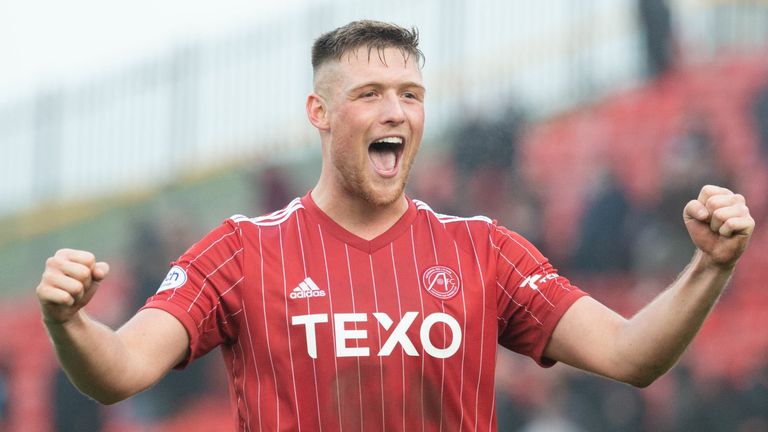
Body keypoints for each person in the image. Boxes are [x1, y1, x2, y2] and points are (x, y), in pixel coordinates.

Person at [36, 20, 755, 431]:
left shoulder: (483, 249)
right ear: (320, 114)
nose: (396, 112)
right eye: (371, 94)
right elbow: (119, 372)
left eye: (411, 94)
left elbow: (633, 355)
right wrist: (71, 323)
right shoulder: (240, 251)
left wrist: (709, 268)